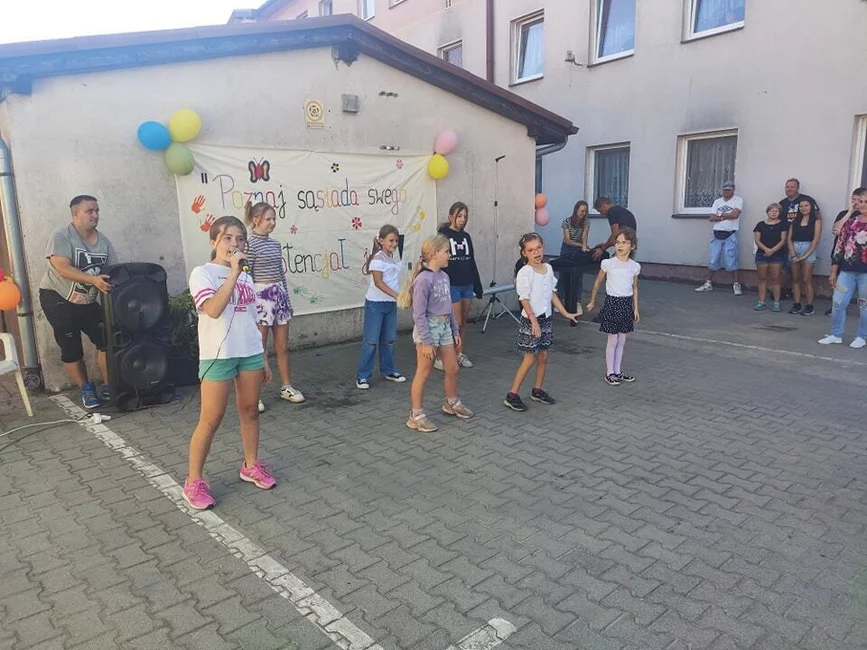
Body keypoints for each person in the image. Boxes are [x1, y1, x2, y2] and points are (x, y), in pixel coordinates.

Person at [184, 216, 275, 510]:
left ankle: (250, 464)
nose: (234, 244)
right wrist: (234, 273)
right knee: (211, 419)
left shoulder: (247, 276)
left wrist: (263, 357)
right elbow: (212, 309)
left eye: (240, 239)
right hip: (218, 356)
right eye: (227, 238)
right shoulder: (203, 273)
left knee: (250, 411)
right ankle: (194, 480)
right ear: (214, 242)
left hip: (248, 352)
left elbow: (252, 319)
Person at [38, 195, 118, 409]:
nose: (95, 215)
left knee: (107, 338)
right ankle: (86, 389)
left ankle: (110, 385)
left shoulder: (104, 242)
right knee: (71, 345)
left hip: (86, 300)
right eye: (89, 211)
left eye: (97, 211)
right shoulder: (62, 235)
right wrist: (93, 280)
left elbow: (113, 271)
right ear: (75, 214)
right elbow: (62, 268)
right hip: (57, 297)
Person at [397, 235, 474, 433]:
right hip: (428, 328)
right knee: (424, 372)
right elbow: (419, 314)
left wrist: (455, 330)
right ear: (433, 254)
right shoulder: (423, 280)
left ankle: (451, 402)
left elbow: (448, 307)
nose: (450, 255)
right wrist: (427, 341)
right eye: (446, 251)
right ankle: (416, 415)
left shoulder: (444, 277)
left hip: (444, 327)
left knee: (453, 368)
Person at [504, 233, 581, 412]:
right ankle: (512, 394)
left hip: (546, 318)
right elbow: (523, 298)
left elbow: (551, 294)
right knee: (529, 358)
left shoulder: (548, 268)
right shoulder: (525, 272)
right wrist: (533, 320)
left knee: (544, 355)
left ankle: (537, 390)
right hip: (531, 320)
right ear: (524, 253)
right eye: (531, 250)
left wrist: (565, 313)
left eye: (538, 248)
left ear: (543, 247)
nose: (536, 252)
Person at [244, 201, 304, 412]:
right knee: (259, 348)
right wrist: (251, 306)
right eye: (268, 219)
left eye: (274, 219)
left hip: (279, 296)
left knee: (282, 346)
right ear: (256, 220)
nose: (272, 222)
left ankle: (286, 387)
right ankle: (255, 394)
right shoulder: (249, 245)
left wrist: (287, 300)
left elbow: (281, 273)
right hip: (261, 298)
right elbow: (247, 276)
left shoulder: (276, 244)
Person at [586, 227, 640, 386]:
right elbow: (597, 282)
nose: (620, 245)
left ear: (632, 246)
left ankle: (617, 371)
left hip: (626, 304)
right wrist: (592, 301)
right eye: (618, 242)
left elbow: (635, 288)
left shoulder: (634, 266)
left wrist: (636, 308)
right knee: (612, 340)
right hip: (612, 303)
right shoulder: (608, 263)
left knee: (621, 340)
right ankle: (610, 372)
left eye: (624, 242)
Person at [356, 224, 406, 389]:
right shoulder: (377, 259)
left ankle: (389, 370)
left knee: (389, 340)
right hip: (375, 305)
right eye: (391, 240)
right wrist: (397, 296)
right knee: (371, 341)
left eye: (396, 241)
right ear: (381, 241)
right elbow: (378, 282)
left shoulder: (392, 258)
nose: (394, 244)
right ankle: (363, 376)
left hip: (390, 305)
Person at [436, 202, 483, 370]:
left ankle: (459, 353)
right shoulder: (443, 235)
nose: (462, 219)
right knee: (454, 322)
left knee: (463, 321)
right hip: (452, 284)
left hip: (467, 284)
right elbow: (437, 259)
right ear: (451, 217)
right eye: (459, 216)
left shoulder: (466, 236)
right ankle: (443, 356)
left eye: (465, 216)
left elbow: (471, 260)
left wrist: (477, 283)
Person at [818, 191, 867, 349]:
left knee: (864, 305)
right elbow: (839, 247)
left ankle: (862, 336)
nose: (862, 204)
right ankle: (836, 334)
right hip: (847, 271)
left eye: (865, 201)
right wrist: (833, 271)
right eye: (860, 201)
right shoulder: (851, 223)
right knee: (838, 302)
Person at [694, 181, 743, 295]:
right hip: (716, 234)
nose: (727, 192)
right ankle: (708, 283)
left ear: (733, 190)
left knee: (732, 260)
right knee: (712, 260)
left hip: (730, 234)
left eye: (729, 190)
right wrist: (726, 215)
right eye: (725, 190)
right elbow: (711, 218)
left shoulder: (738, 200)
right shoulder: (717, 201)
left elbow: (735, 215)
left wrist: (719, 215)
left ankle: (736, 284)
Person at [778, 178, 821, 299]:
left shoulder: (806, 200)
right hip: (788, 240)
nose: (789, 189)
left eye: (792, 187)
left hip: (806, 240)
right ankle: (783, 291)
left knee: (805, 276)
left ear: (798, 188)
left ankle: (805, 301)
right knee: (787, 267)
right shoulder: (782, 203)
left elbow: (817, 216)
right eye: (787, 187)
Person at [826, 188, 865, 314]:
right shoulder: (845, 214)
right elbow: (836, 230)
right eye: (853, 200)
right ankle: (837, 306)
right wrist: (850, 212)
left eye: (859, 200)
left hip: (860, 260)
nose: (856, 203)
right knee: (839, 285)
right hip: (842, 254)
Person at [787, 198, 822, 316]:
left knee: (807, 279)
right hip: (795, 248)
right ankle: (797, 304)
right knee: (795, 278)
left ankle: (809, 306)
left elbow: (816, 240)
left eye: (806, 206)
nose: (803, 208)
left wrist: (805, 256)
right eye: (801, 206)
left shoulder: (816, 221)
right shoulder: (795, 221)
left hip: (809, 249)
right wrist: (793, 254)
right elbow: (789, 239)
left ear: (811, 207)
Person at [752, 203, 788, 312]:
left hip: (777, 255)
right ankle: (761, 302)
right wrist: (766, 250)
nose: (774, 213)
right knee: (762, 279)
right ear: (767, 212)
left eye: (776, 211)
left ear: (779, 213)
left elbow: (783, 240)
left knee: (776, 280)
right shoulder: (760, 225)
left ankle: (776, 303)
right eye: (772, 210)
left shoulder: (783, 225)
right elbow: (757, 240)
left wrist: (772, 250)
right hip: (762, 255)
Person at [590, 197, 637, 262]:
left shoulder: (612, 211)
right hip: (630, 243)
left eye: (600, 211)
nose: (601, 214)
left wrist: (602, 249)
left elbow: (614, 235)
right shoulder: (621, 210)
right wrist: (605, 244)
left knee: (616, 265)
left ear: (604, 206)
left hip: (624, 244)